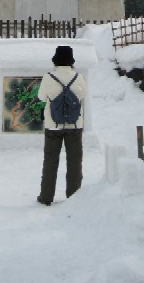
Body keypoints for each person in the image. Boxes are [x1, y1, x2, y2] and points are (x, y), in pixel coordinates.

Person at [37, 45, 87, 206]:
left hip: (53, 125)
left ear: (56, 61)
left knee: (50, 161)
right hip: (75, 125)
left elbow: (41, 97)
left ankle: (46, 197)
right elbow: (83, 95)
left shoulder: (48, 77)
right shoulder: (78, 77)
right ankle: (74, 196)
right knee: (74, 161)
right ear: (71, 61)